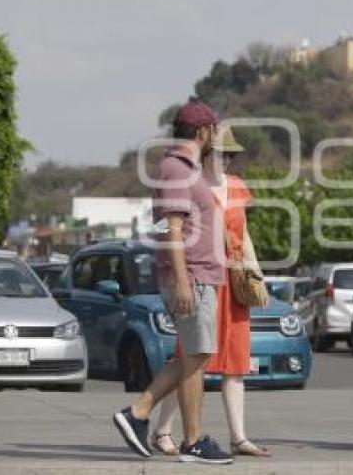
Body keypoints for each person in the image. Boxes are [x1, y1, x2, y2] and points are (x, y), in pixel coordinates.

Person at [112, 98, 233, 464]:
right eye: (214, 130)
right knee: (196, 355)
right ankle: (156, 421)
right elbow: (174, 227)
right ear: (203, 131)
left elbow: (165, 226)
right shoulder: (178, 169)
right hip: (191, 276)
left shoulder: (181, 169)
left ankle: (162, 425)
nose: (217, 137)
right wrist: (181, 280)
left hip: (195, 274)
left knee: (194, 354)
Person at [150, 127, 270, 457]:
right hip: (203, 278)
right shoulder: (191, 186)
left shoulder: (238, 187)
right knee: (190, 359)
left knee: (236, 361)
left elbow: (243, 236)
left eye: (231, 155)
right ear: (206, 155)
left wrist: (256, 273)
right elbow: (169, 232)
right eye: (221, 154)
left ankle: (239, 437)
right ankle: (162, 430)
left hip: (233, 283)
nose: (227, 160)